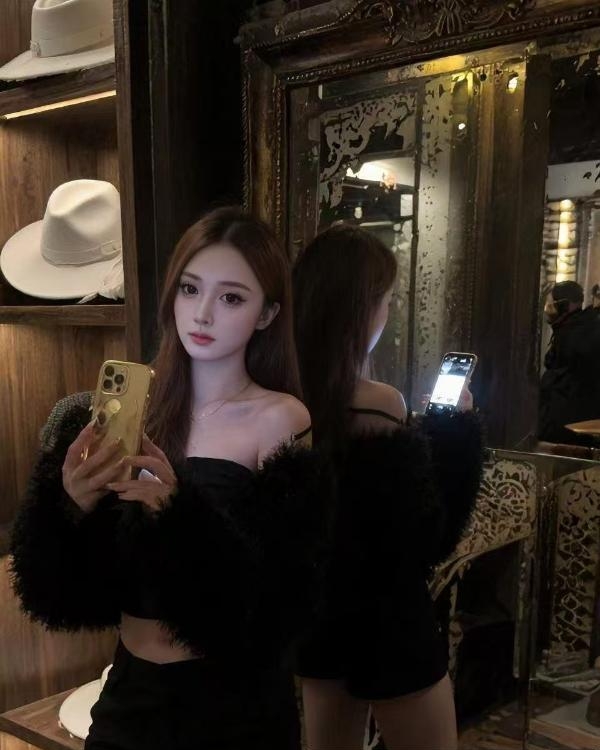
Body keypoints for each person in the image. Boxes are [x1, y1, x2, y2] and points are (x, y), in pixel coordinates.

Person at [10, 207, 328, 750]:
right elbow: (65, 595)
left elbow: (283, 600)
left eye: (231, 298)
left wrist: (179, 518)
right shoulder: (140, 413)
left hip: (232, 705)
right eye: (189, 288)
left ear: (268, 313)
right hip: (131, 694)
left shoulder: (281, 419)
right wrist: (70, 510)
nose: (202, 313)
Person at [292, 224, 484, 750]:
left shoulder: (288, 398)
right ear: (361, 309)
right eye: (387, 300)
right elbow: (425, 537)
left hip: (320, 618)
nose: (389, 311)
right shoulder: (380, 403)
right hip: (391, 624)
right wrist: (454, 433)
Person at [539, 280, 600, 445]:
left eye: (551, 305)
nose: (548, 310)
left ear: (565, 305)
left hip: (569, 432)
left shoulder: (581, 334)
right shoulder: (574, 328)